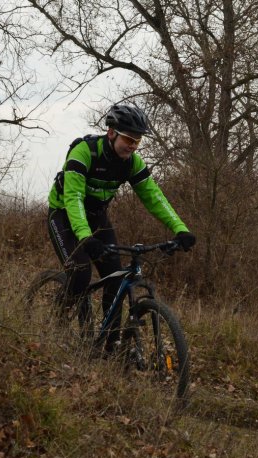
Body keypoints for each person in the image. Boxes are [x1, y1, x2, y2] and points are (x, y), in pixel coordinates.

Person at [47, 104, 195, 344]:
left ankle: (110, 345)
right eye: (129, 138)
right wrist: (85, 237)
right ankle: (58, 317)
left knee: (115, 277)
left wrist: (180, 228)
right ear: (111, 132)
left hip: (96, 216)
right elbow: (73, 198)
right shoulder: (84, 152)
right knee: (80, 273)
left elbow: (154, 197)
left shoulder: (131, 163)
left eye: (138, 141)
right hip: (63, 213)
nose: (133, 145)